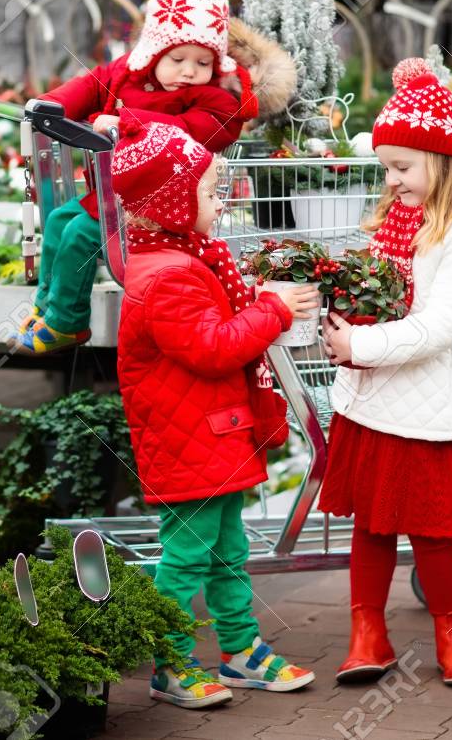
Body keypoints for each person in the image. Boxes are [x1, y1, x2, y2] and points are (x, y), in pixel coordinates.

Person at [112, 119, 319, 708]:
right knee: (184, 559)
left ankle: (240, 650)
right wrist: (273, 311)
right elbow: (213, 347)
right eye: (205, 193)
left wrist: (255, 299)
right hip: (189, 444)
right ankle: (171, 664)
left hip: (212, 437)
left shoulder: (185, 260)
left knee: (228, 551)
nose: (216, 204)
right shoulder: (171, 276)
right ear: (172, 205)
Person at [318, 58, 452, 687]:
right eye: (386, 169)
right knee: (371, 525)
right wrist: (341, 320)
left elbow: (442, 326)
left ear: (442, 160)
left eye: (402, 168)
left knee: (433, 529)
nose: (391, 181)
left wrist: (360, 345)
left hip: (428, 400)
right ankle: (367, 633)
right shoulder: (400, 219)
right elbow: (376, 291)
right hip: (372, 396)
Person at [11, 0, 294, 354]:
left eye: (202, 62)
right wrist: (50, 106)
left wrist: (129, 121)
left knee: (79, 235)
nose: (190, 71)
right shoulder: (127, 73)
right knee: (57, 222)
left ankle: (68, 322)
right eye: (178, 58)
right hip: (116, 192)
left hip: (157, 210)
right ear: (154, 51)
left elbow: (201, 130)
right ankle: (46, 307)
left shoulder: (216, 97)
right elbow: (90, 85)